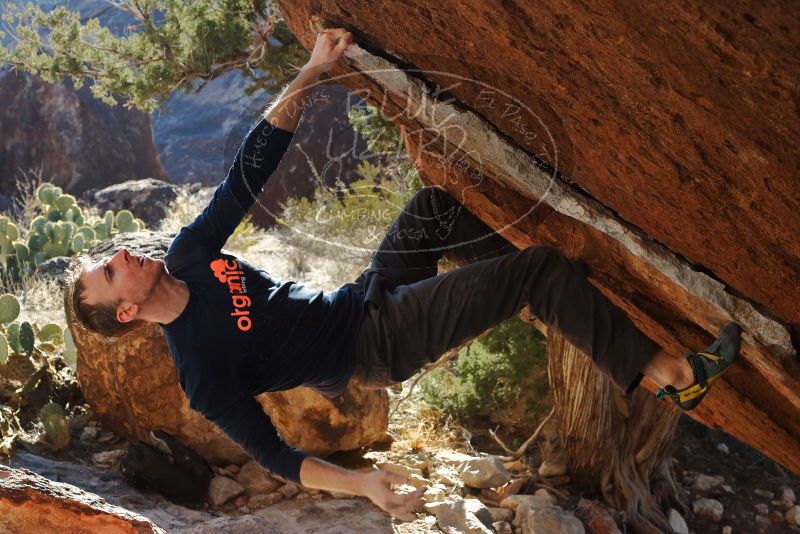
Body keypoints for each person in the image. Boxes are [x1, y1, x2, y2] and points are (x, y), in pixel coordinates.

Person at [64, 28, 741, 522]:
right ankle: (675, 377)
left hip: (362, 297)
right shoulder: (201, 370)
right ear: (126, 312)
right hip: (375, 345)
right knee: (540, 269)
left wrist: (310, 71)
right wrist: (366, 486)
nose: (122, 257)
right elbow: (276, 457)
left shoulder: (186, 256)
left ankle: (528, 298)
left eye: (111, 257)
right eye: (109, 272)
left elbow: (246, 177)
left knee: (435, 209)